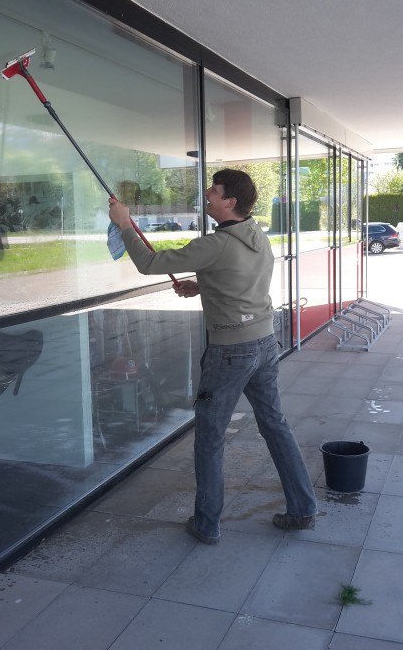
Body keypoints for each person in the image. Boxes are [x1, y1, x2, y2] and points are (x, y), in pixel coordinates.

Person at [108, 168, 317, 544]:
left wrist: (124, 224)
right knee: (275, 425)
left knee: (210, 436)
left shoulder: (215, 244)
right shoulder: (256, 233)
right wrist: (203, 284)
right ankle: (303, 508)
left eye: (214, 190)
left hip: (231, 352)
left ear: (230, 201)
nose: (207, 192)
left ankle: (206, 524)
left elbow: (149, 264)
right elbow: (241, 275)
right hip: (264, 343)